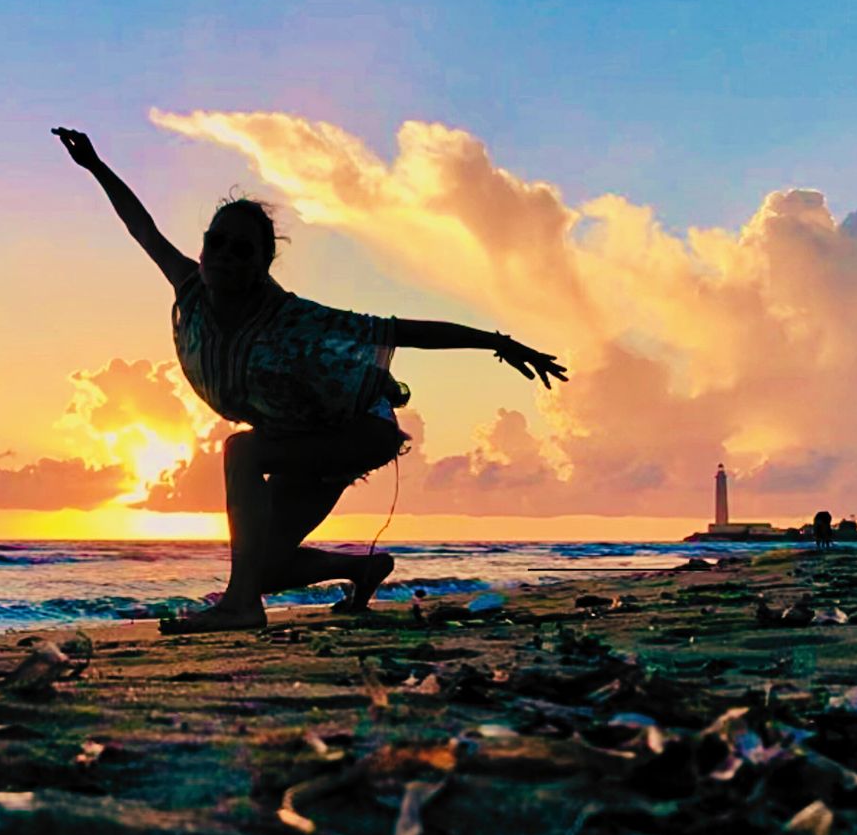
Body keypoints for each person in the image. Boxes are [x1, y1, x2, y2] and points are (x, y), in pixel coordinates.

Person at [52, 128, 568, 633]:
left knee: (242, 453)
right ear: (204, 248)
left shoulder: (294, 320)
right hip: (300, 437)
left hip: (360, 429)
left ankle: (239, 607)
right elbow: (143, 230)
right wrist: (97, 166)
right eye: (218, 243)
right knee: (264, 564)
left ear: (262, 265)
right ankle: (361, 572)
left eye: (242, 250)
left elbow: (401, 330)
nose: (226, 257)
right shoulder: (191, 290)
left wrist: (499, 342)